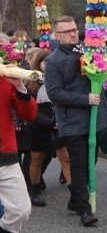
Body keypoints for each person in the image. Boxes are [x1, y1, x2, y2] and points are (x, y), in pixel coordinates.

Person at [44, 15, 107, 226]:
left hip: (95, 117)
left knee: (90, 161)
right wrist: (84, 100)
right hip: (72, 121)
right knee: (80, 163)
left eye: (75, 29)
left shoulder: (88, 50)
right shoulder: (52, 60)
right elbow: (54, 92)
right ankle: (85, 209)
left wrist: (103, 39)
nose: (73, 34)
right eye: (67, 31)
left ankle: (75, 200)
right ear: (57, 36)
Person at [0, 67, 38, 233]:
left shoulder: (4, 76)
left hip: (5, 156)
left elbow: (29, 114)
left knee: (20, 211)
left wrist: (20, 87)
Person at [21, 48, 68, 208]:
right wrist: (49, 122)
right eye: (44, 62)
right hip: (38, 126)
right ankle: (34, 190)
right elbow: (28, 110)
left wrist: (58, 121)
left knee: (66, 158)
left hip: (58, 124)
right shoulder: (30, 84)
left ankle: (76, 196)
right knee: (37, 159)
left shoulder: (60, 81)